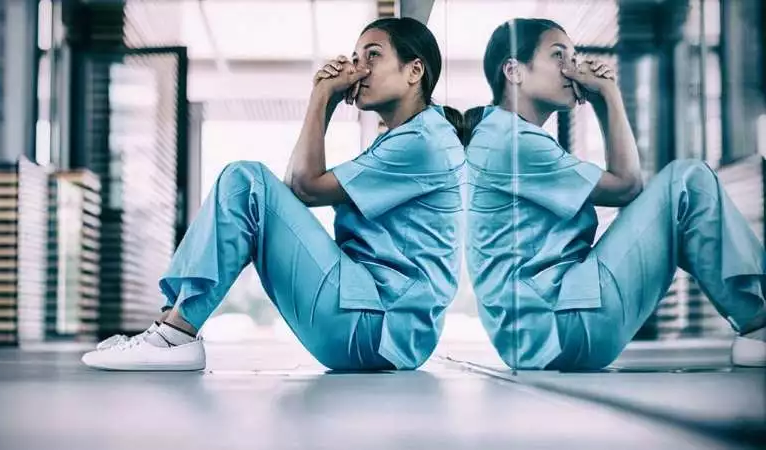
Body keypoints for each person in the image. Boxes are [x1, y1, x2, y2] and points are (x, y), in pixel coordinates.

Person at [82, 17, 466, 372]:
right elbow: (295, 188)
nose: (359, 68)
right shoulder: (408, 138)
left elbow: (303, 186)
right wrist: (326, 100)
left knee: (245, 180)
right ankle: (170, 329)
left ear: (415, 70)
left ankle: (174, 336)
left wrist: (322, 96)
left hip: (373, 325)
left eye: (373, 56)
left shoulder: (423, 141)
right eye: (355, 57)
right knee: (250, 187)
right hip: (372, 323)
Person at [465, 18, 766, 370]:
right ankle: (758, 325)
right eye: (558, 56)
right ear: (514, 71)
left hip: (545, 332)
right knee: (689, 181)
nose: (572, 69)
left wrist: (603, 100)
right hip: (563, 325)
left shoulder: (502, 135)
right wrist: (608, 94)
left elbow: (624, 184)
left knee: (682, 190)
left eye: (573, 57)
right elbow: (626, 186)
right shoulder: (511, 142)